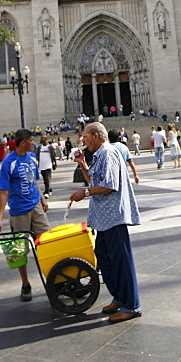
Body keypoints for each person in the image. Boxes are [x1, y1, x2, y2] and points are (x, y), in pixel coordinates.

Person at [69, 123, 141, 322]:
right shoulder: (100, 154)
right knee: (104, 256)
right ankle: (119, 297)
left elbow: (108, 186)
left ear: (95, 136)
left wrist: (84, 193)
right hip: (103, 219)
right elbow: (93, 180)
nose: (83, 140)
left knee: (121, 261)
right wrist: (82, 164)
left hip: (114, 217)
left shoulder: (108, 153)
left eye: (85, 136)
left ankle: (131, 305)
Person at [0, 128, 50, 301]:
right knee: (20, 250)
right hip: (19, 210)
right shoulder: (8, 162)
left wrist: (42, 199)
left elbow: (35, 182)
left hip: (36, 206)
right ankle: (25, 283)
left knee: (46, 243)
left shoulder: (32, 158)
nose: (34, 143)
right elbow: (3, 192)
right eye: (31, 141)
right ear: (23, 143)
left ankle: (52, 278)